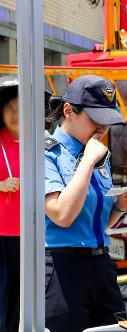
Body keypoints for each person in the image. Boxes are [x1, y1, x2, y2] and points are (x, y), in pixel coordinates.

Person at [44, 75, 127, 332]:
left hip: (101, 264)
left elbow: (97, 223)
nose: (102, 130)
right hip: (63, 267)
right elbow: (62, 215)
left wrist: (119, 206)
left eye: (107, 123)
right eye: (96, 121)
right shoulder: (46, 152)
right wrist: (87, 162)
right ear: (68, 111)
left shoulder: (97, 152)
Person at [0, 77, 21, 332]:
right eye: (10, 109)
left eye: (20, 109)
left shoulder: (39, 139)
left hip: (31, 231)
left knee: (22, 295)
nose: (15, 115)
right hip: (2, 232)